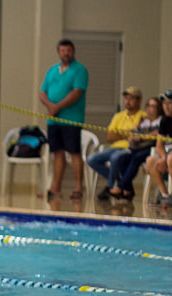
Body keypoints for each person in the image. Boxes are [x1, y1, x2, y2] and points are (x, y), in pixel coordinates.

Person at [39, 39, 89, 200]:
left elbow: (77, 92)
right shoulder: (52, 70)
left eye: (68, 50)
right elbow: (42, 92)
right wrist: (50, 106)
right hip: (54, 121)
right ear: (58, 52)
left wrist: (57, 106)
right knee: (57, 153)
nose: (65, 53)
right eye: (62, 51)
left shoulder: (79, 70)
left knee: (74, 152)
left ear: (73, 51)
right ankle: (56, 187)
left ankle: (78, 187)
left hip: (71, 120)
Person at [88, 86, 143, 200]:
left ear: (138, 100)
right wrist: (127, 134)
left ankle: (109, 187)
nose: (127, 101)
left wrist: (120, 134)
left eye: (131, 98)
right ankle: (119, 184)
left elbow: (137, 137)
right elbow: (109, 136)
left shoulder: (143, 117)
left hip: (130, 149)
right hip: (115, 147)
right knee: (92, 159)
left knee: (115, 158)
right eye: (126, 98)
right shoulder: (119, 116)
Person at [109, 94, 160, 200]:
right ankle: (128, 189)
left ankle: (120, 187)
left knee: (136, 158)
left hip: (151, 149)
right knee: (122, 159)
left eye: (153, 106)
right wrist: (138, 126)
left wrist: (141, 137)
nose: (149, 109)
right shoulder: (144, 122)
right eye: (148, 106)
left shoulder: (161, 121)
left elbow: (157, 134)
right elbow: (133, 134)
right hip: (137, 148)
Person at [144, 91, 172, 205]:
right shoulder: (165, 120)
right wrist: (164, 157)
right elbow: (159, 145)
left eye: (169, 103)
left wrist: (167, 158)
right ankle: (165, 195)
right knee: (150, 161)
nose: (166, 107)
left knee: (171, 159)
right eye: (164, 104)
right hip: (167, 156)